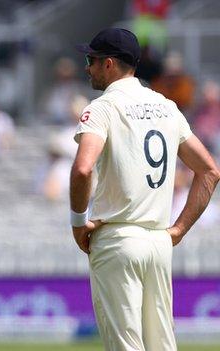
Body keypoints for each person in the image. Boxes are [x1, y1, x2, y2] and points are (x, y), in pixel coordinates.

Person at [70, 28, 220, 350]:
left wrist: (78, 222)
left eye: (91, 60)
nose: (87, 67)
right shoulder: (166, 106)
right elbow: (209, 170)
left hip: (119, 239)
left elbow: (83, 168)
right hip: (158, 242)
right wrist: (177, 230)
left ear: (109, 64)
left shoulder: (102, 107)